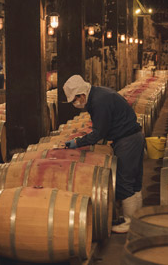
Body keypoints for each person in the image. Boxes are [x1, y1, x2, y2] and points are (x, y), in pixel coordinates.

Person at [62, 74, 144, 234]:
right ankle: (136, 218)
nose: (75, 104)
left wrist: (78, 143)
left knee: (124, 180)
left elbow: (99, 132)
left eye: (74, 100)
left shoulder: (99, 102)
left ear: (81, 95)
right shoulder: (98, 94)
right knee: (134, 180)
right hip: (132, 137)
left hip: (127, 140)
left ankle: (129, 222)